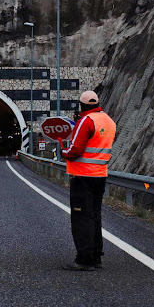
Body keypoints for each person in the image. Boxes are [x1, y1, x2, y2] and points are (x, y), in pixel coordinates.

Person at [58, 90, 116, 271]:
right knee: (94, 216)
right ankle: (96, 256)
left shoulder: (86, 121)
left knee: (81, 217)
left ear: (81, 105)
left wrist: (62, 150)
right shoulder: (108, 121)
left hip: (83, 176)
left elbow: (75, 150)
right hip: (100, 175)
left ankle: (84, 259)